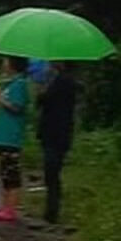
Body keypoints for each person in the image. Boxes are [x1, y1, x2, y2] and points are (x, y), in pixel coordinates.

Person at [0, 56, 30, 223]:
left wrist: (0, 100)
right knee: (4, 172)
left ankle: (11, 209)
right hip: (3, 134)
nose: (3, 64)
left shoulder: (20, 84)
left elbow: (17, 107)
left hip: (11, 135)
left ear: (13, 65)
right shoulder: (11, 83)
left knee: (11, 173)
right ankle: (4, 206)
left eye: (6, 61)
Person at [37, 61, 77, 224]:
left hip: (57, 133)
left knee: (52, 171)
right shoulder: (58, 80)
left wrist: (44, 89)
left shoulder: (63, 82)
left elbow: (45, 100)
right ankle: (50, 209)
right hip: (54, 132)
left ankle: (52, 211)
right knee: (50, 172)